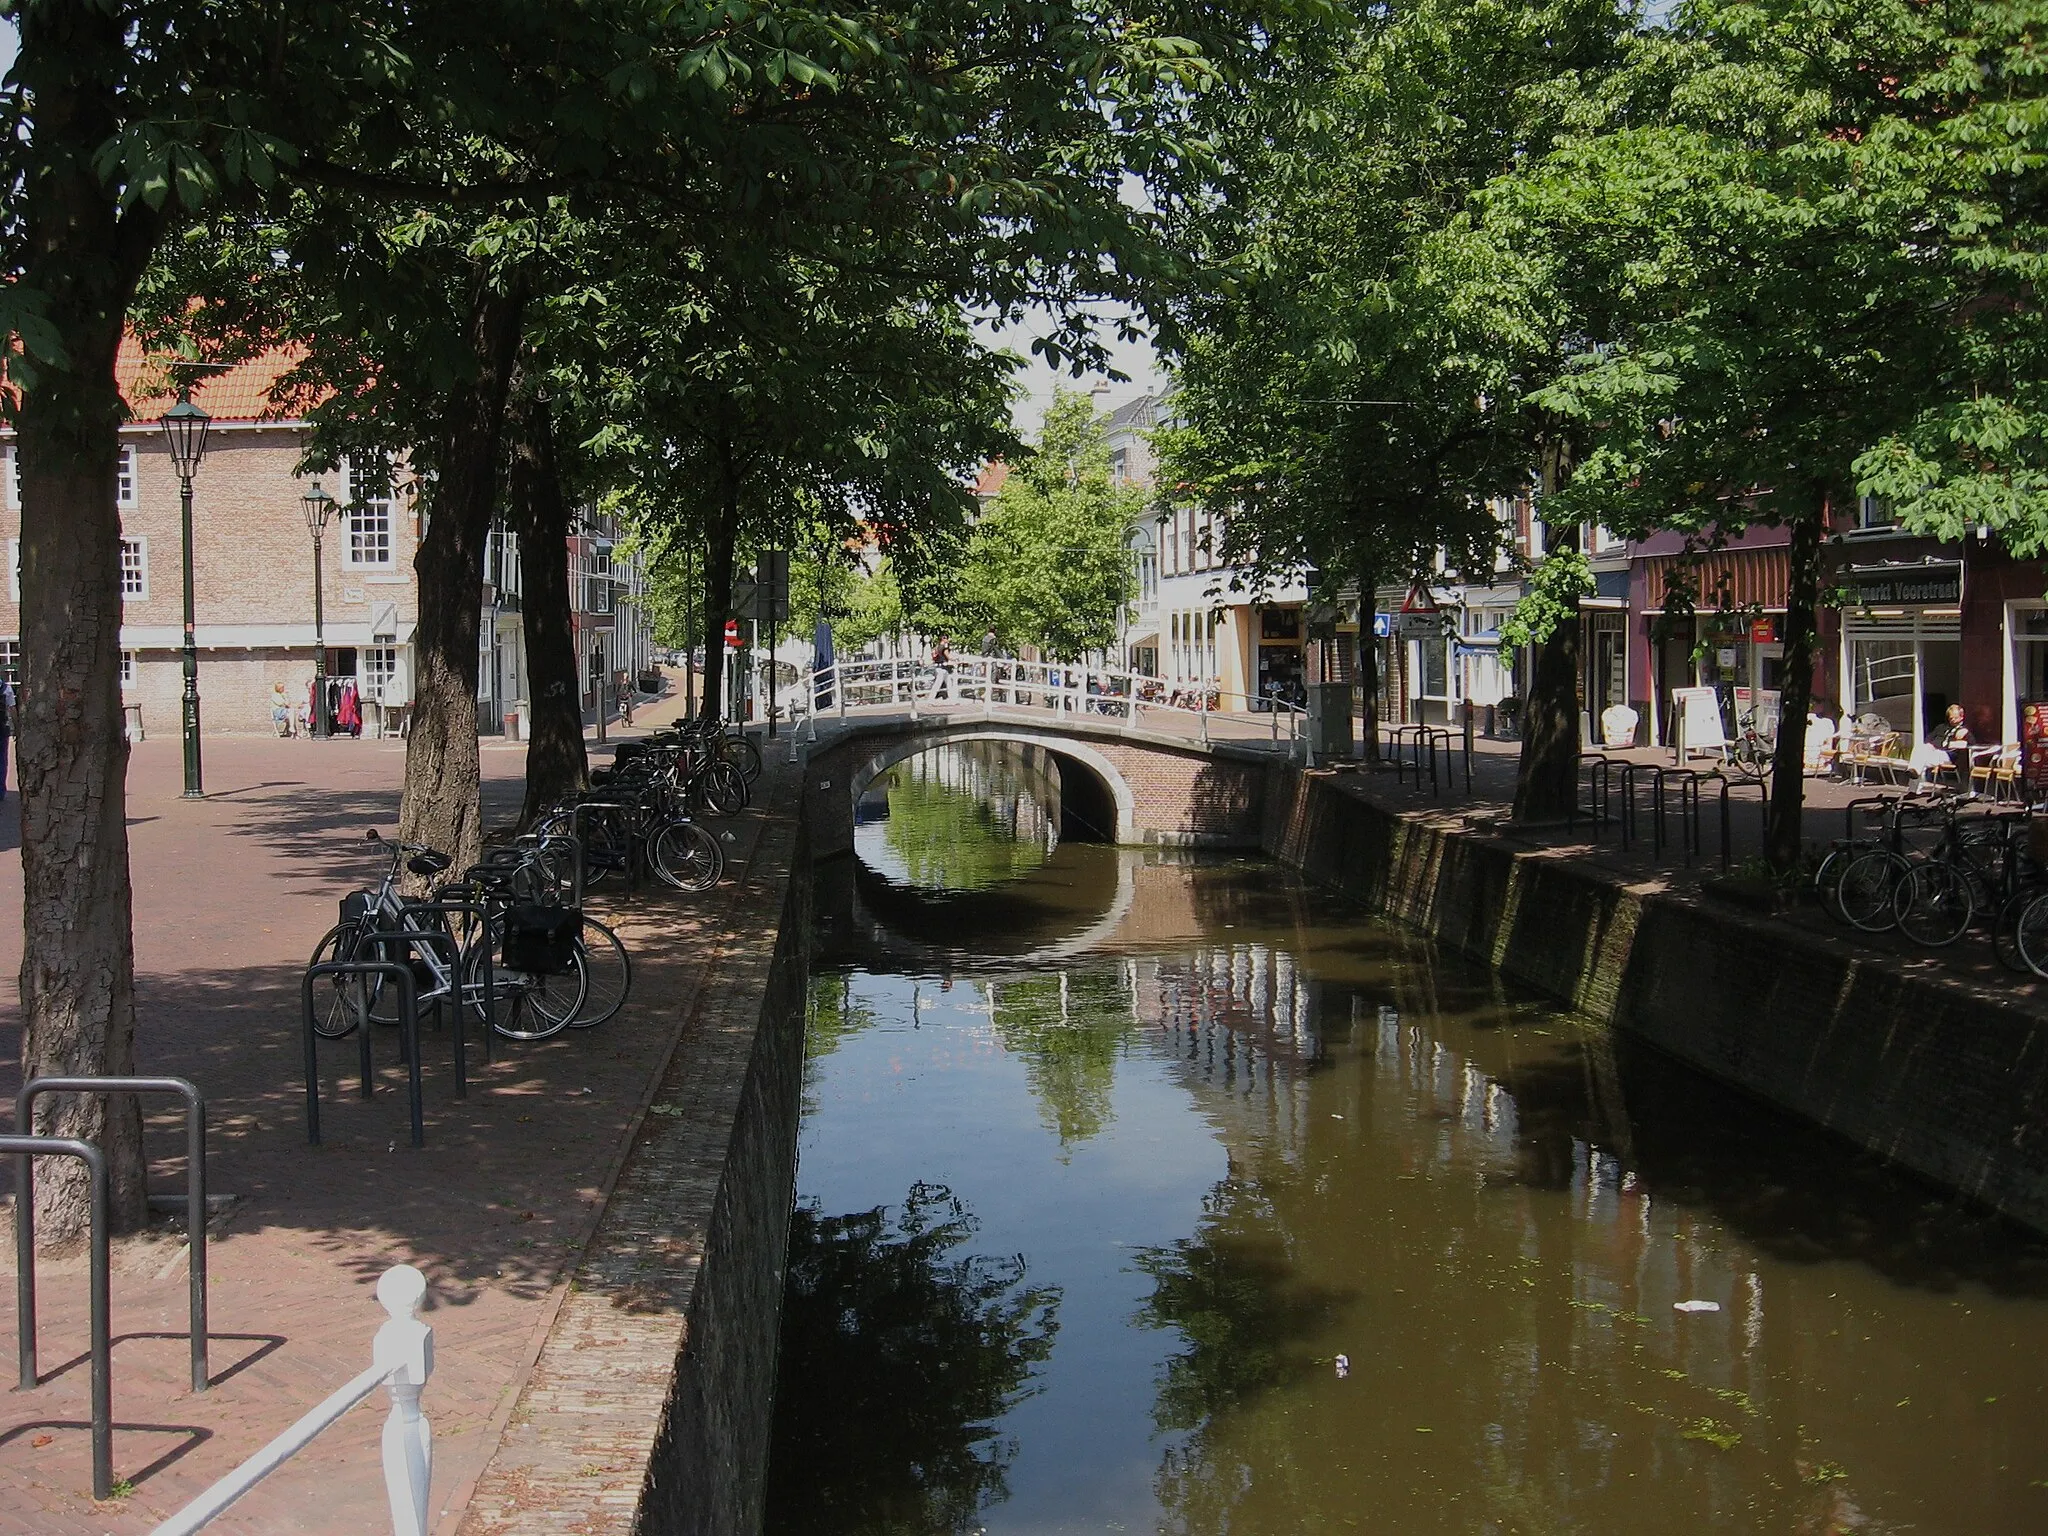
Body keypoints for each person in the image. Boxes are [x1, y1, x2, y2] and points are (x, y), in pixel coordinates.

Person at [1940, 703, 1975, 789]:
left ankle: (1913, 774)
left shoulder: (1965, 730)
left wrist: (1965, 733)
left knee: (1921, 756)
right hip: (1938, 753)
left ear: (1961, 717)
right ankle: (1913, 783)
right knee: (1920, 751)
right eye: (1950, 718)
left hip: (1950, 757)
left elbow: (1972, 743)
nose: (1952, 720)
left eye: (1955, 717)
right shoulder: (1945, 728)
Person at [929, 634, 954, 701]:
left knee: (948, 682)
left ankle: (952, 698)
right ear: (943, 638)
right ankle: (931, 698)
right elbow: (948, 656)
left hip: (938, 666)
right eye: (947, 638)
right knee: (938, 683)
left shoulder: (936, 647)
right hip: (943, 667)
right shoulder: (944, 647)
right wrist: (955, 659)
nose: (948, 640)